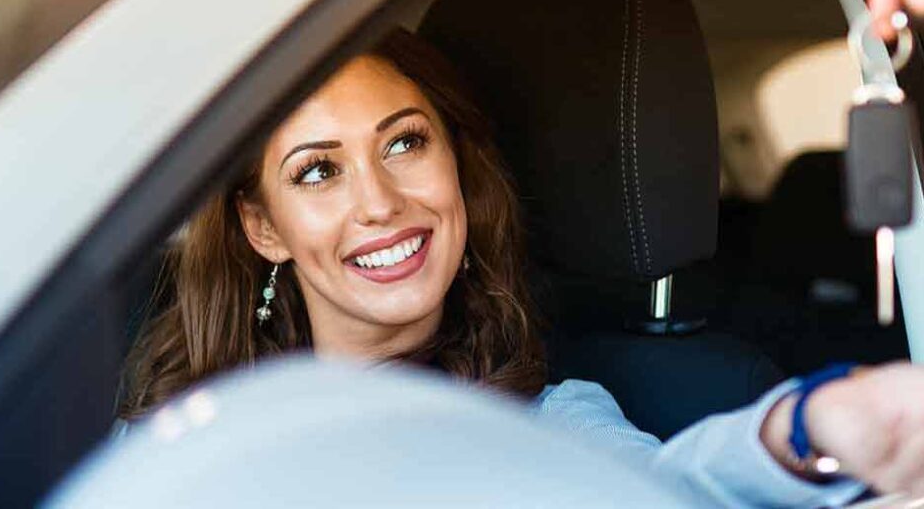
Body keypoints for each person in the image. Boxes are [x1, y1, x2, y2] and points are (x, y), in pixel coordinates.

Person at [118, 29, 924, 506]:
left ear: (456, 166)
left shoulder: (545, 421)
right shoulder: (171, 437)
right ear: (263, 227)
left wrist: (808, 427)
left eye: (404, 142)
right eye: (318, 171)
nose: (380, 203)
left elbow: (662, 489)